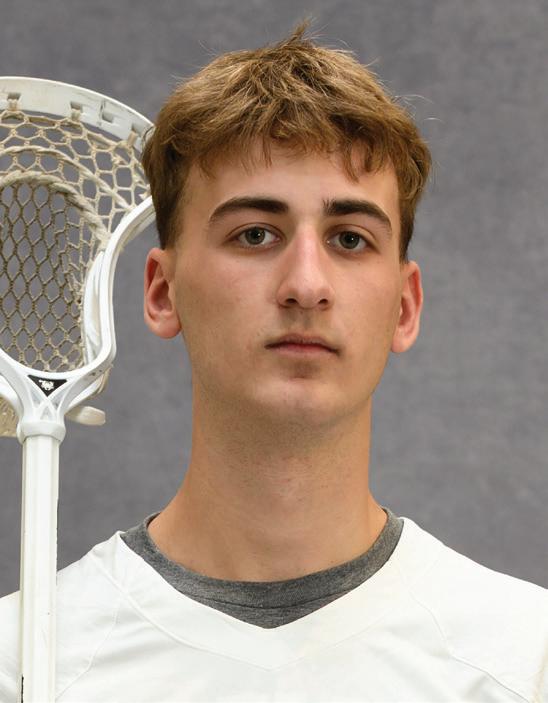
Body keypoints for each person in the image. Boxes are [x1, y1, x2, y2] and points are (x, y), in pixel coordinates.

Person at [1, 20, 546, 703]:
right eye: (255, 234)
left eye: (350, 238)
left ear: (405, 306)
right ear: (162, 292)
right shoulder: (23, 663)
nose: (306, 284)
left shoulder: (524, 661)